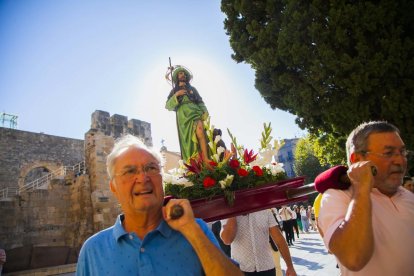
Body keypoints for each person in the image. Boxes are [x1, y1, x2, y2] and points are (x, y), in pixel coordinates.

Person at [76, 134, 242, 275]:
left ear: (162, 180)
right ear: (113, 186)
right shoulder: (93, 250)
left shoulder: (196, 229)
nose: (143, 178)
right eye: (130, 171)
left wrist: (193, 232)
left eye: (151, 168)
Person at [318, 121, 414, 275]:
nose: (400, 161)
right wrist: (361, 189)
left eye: (402, 152)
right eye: (388, 153)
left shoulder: (408, 196)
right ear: (357, 160)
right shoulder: (337, 197)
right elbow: (353, 258)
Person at [220, 210, 297, 276]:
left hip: (267, 268)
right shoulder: (227, 212)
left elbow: (279, 240)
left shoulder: (265, 211)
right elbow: (227, 240)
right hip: (241, 270)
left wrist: (290, 266)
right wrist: (233, 214)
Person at [165, 66, 210, 164]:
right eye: (180, 73)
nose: (183, 75)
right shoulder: (173, 91)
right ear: (177, 76)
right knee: (188, 140)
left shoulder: (193, 89)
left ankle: (206, 158)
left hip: (195, 111)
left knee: (200, 130)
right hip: (183, 116)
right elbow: (168, 106)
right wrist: (177, 94)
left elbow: (200, 102)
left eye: (184, 73)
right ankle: (194, 162)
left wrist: (205, 112)